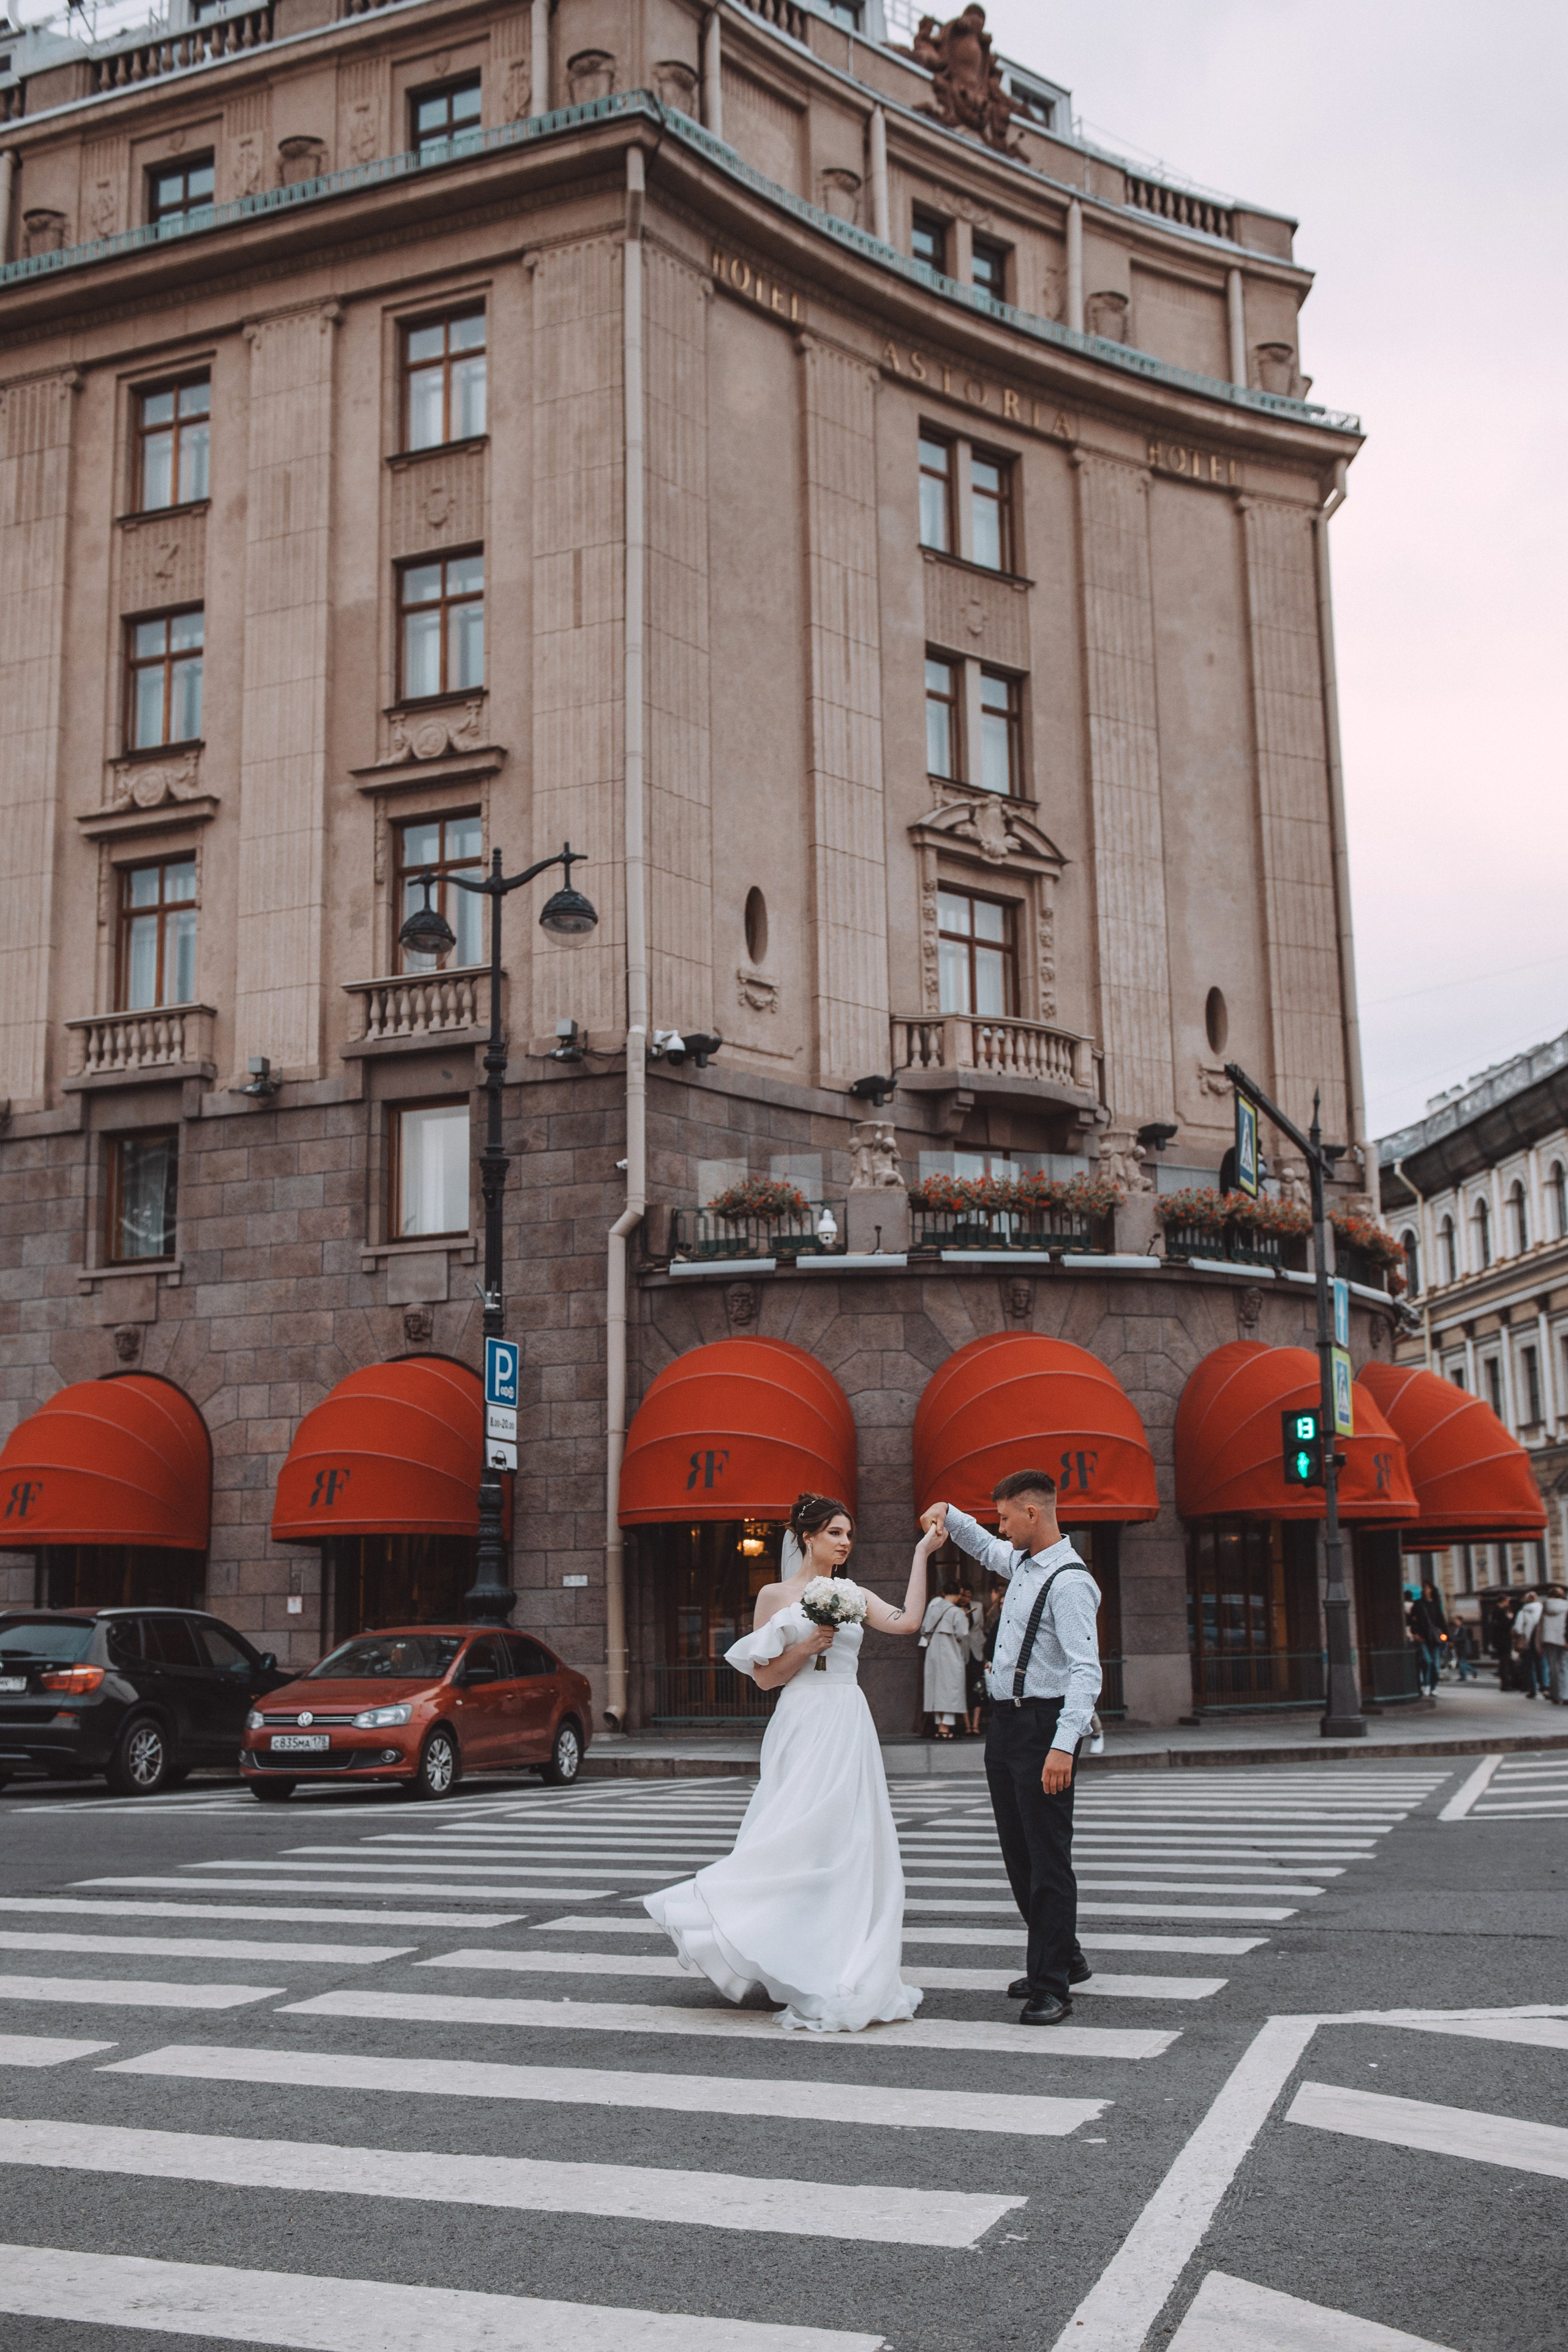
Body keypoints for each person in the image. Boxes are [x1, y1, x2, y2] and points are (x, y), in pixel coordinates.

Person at [644, 1491, 941, 2033]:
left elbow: (908, 1621)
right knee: (792, 1834)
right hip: (801, 1719)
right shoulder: (775, 1595)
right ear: (808, 1537)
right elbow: (763, 1678)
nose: (845, 1543)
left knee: (848, 1840)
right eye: (835, 1533)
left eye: (849, 1535)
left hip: (847, 1718)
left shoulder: (854, 1593)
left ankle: (834, 1961)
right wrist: (806, 1647)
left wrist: (922, 1553)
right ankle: (738, 1922)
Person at [922, 1468, 1100, 2027]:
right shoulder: (1023, 1562)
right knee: (1019, 1853)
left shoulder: (1069, 1582)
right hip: (1006, 1726)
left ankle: (1052, 1985)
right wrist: (948, 1513)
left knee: (1048, 1858)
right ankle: (1063, 1955)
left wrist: (1064, 1745)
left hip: (1043, 1727)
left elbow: (1086, 1671)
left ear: (1032, 1513)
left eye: (1004, 1518)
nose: (1000, 1528)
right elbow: (982, 1545)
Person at [921, 1580, 971, 1738]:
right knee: (951, 1687)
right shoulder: (957, 1611)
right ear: (958, 1595)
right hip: (950, 1650)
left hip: (933, 1650)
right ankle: (945, 1728)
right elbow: (963, 1633)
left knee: (936, 1687)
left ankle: (940, 1725)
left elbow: (924, 1628)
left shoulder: (933, 1608)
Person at [1409, 1585, 1447, 1697]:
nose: (1426, 1590)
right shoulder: (1418, 1604)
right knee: (1427, 1661)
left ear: (1432, 1590)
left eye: (1428, 1588)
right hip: (1423, 1638)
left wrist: (1447, 1637)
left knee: (1435, 1664)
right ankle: (1427, 1685)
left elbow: (1441, 1621)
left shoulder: (1435, 1604)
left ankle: (1433, 1687)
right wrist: (1415, 1633)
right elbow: (1412, 1620)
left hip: (1435, 1639)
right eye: (1424, 1588)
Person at [1539, 1583, 1568, 1704]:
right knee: (1565, 1667)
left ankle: (1555, 1695)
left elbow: (1540, 1626)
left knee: (1553, 1668)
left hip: (1549, 1639)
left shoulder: (1545, 1606)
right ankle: (1566, 1695)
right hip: (1564, 1639)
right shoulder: (1566, 1606)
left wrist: (1539, 1643)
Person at [1513, 1588, 1545, 1697]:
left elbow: (1518, 1628)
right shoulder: (1542, 1609)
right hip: (1540, 1641)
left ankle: (1533, 1689)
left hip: (1528, 1642)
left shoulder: (1523, 1611)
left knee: (1530, 1666)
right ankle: (1545, 1687)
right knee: (1543, 1664)